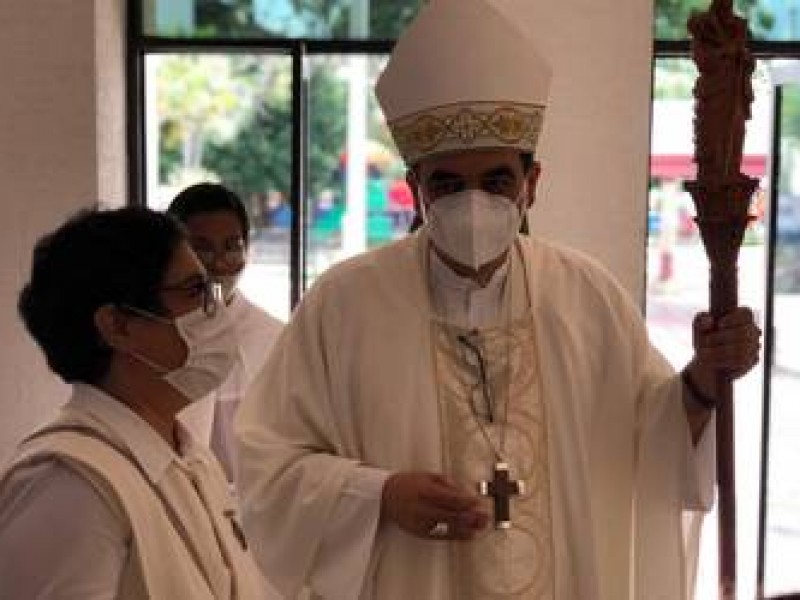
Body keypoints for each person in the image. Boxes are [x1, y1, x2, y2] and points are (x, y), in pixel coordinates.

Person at [234, 1, 761, 599]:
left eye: (496, 181)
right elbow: (265, 464)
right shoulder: (344, 304)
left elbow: (650, 440)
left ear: (531, 185)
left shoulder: (585, 297)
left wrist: (703, 377)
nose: (473, 202)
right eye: (449, 184)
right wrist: (378, 496)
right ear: (416, 189)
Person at [0, 207, 275, 599]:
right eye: (195, 292)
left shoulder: (189, 458)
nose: (215, 312)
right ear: (119, 326)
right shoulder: (69, 481)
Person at [167, 183, 283, 482]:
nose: (218, 263)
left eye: (232, 246)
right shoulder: (154, 337)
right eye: (202, 248)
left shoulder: (276, 338)